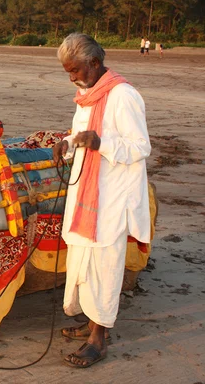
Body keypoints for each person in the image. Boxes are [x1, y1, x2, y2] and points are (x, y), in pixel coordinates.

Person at [53, 33, 151, 368]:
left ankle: (99, 337)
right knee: (82, 260)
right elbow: (82, 136)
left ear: (95, 63)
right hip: (85, 194)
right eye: (68, 72)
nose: (72, 78)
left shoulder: (124, 95)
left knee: (105, 266)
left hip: (111, 198)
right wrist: (66, 145)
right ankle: (90, 321)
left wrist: (102, 142)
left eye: (76, 70)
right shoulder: (87, 96)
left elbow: (140, 147)